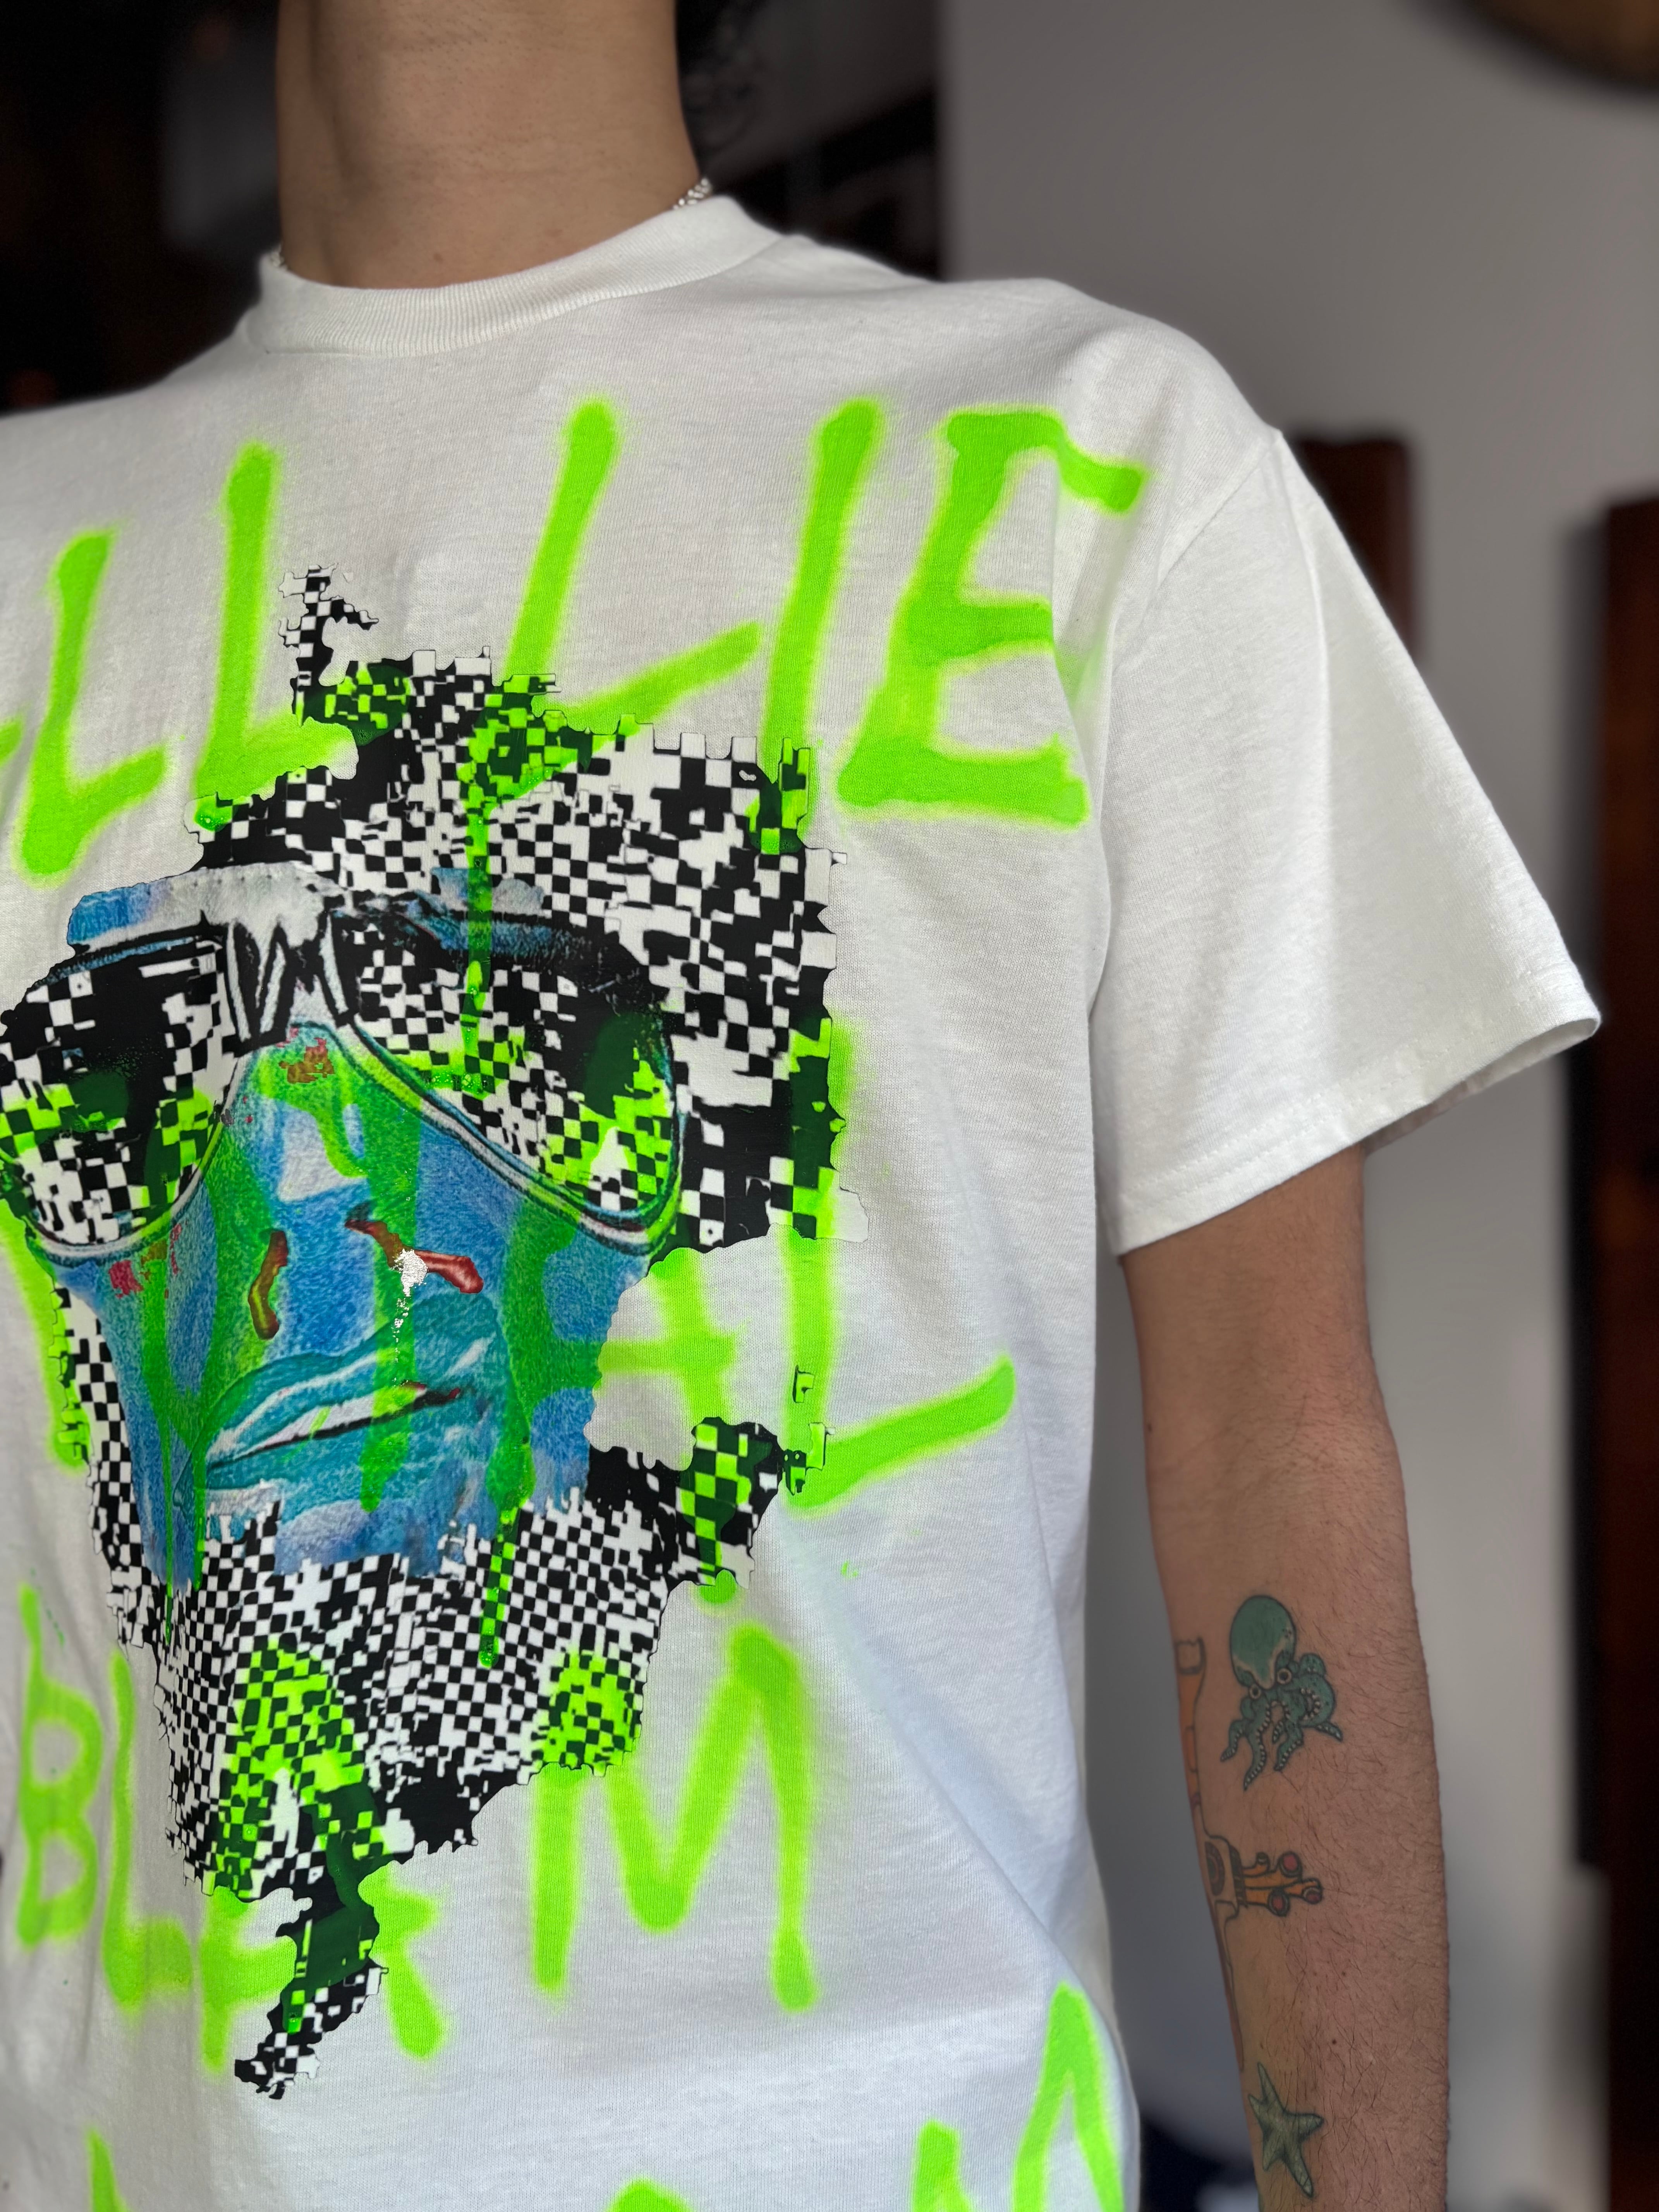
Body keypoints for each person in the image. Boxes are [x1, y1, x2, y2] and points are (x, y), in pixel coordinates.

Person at [0, 3, 1594, 2209]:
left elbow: (1272, 1452)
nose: (316, 1228)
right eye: (158, 1056)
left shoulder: (1083, 475)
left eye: (487, 1058)